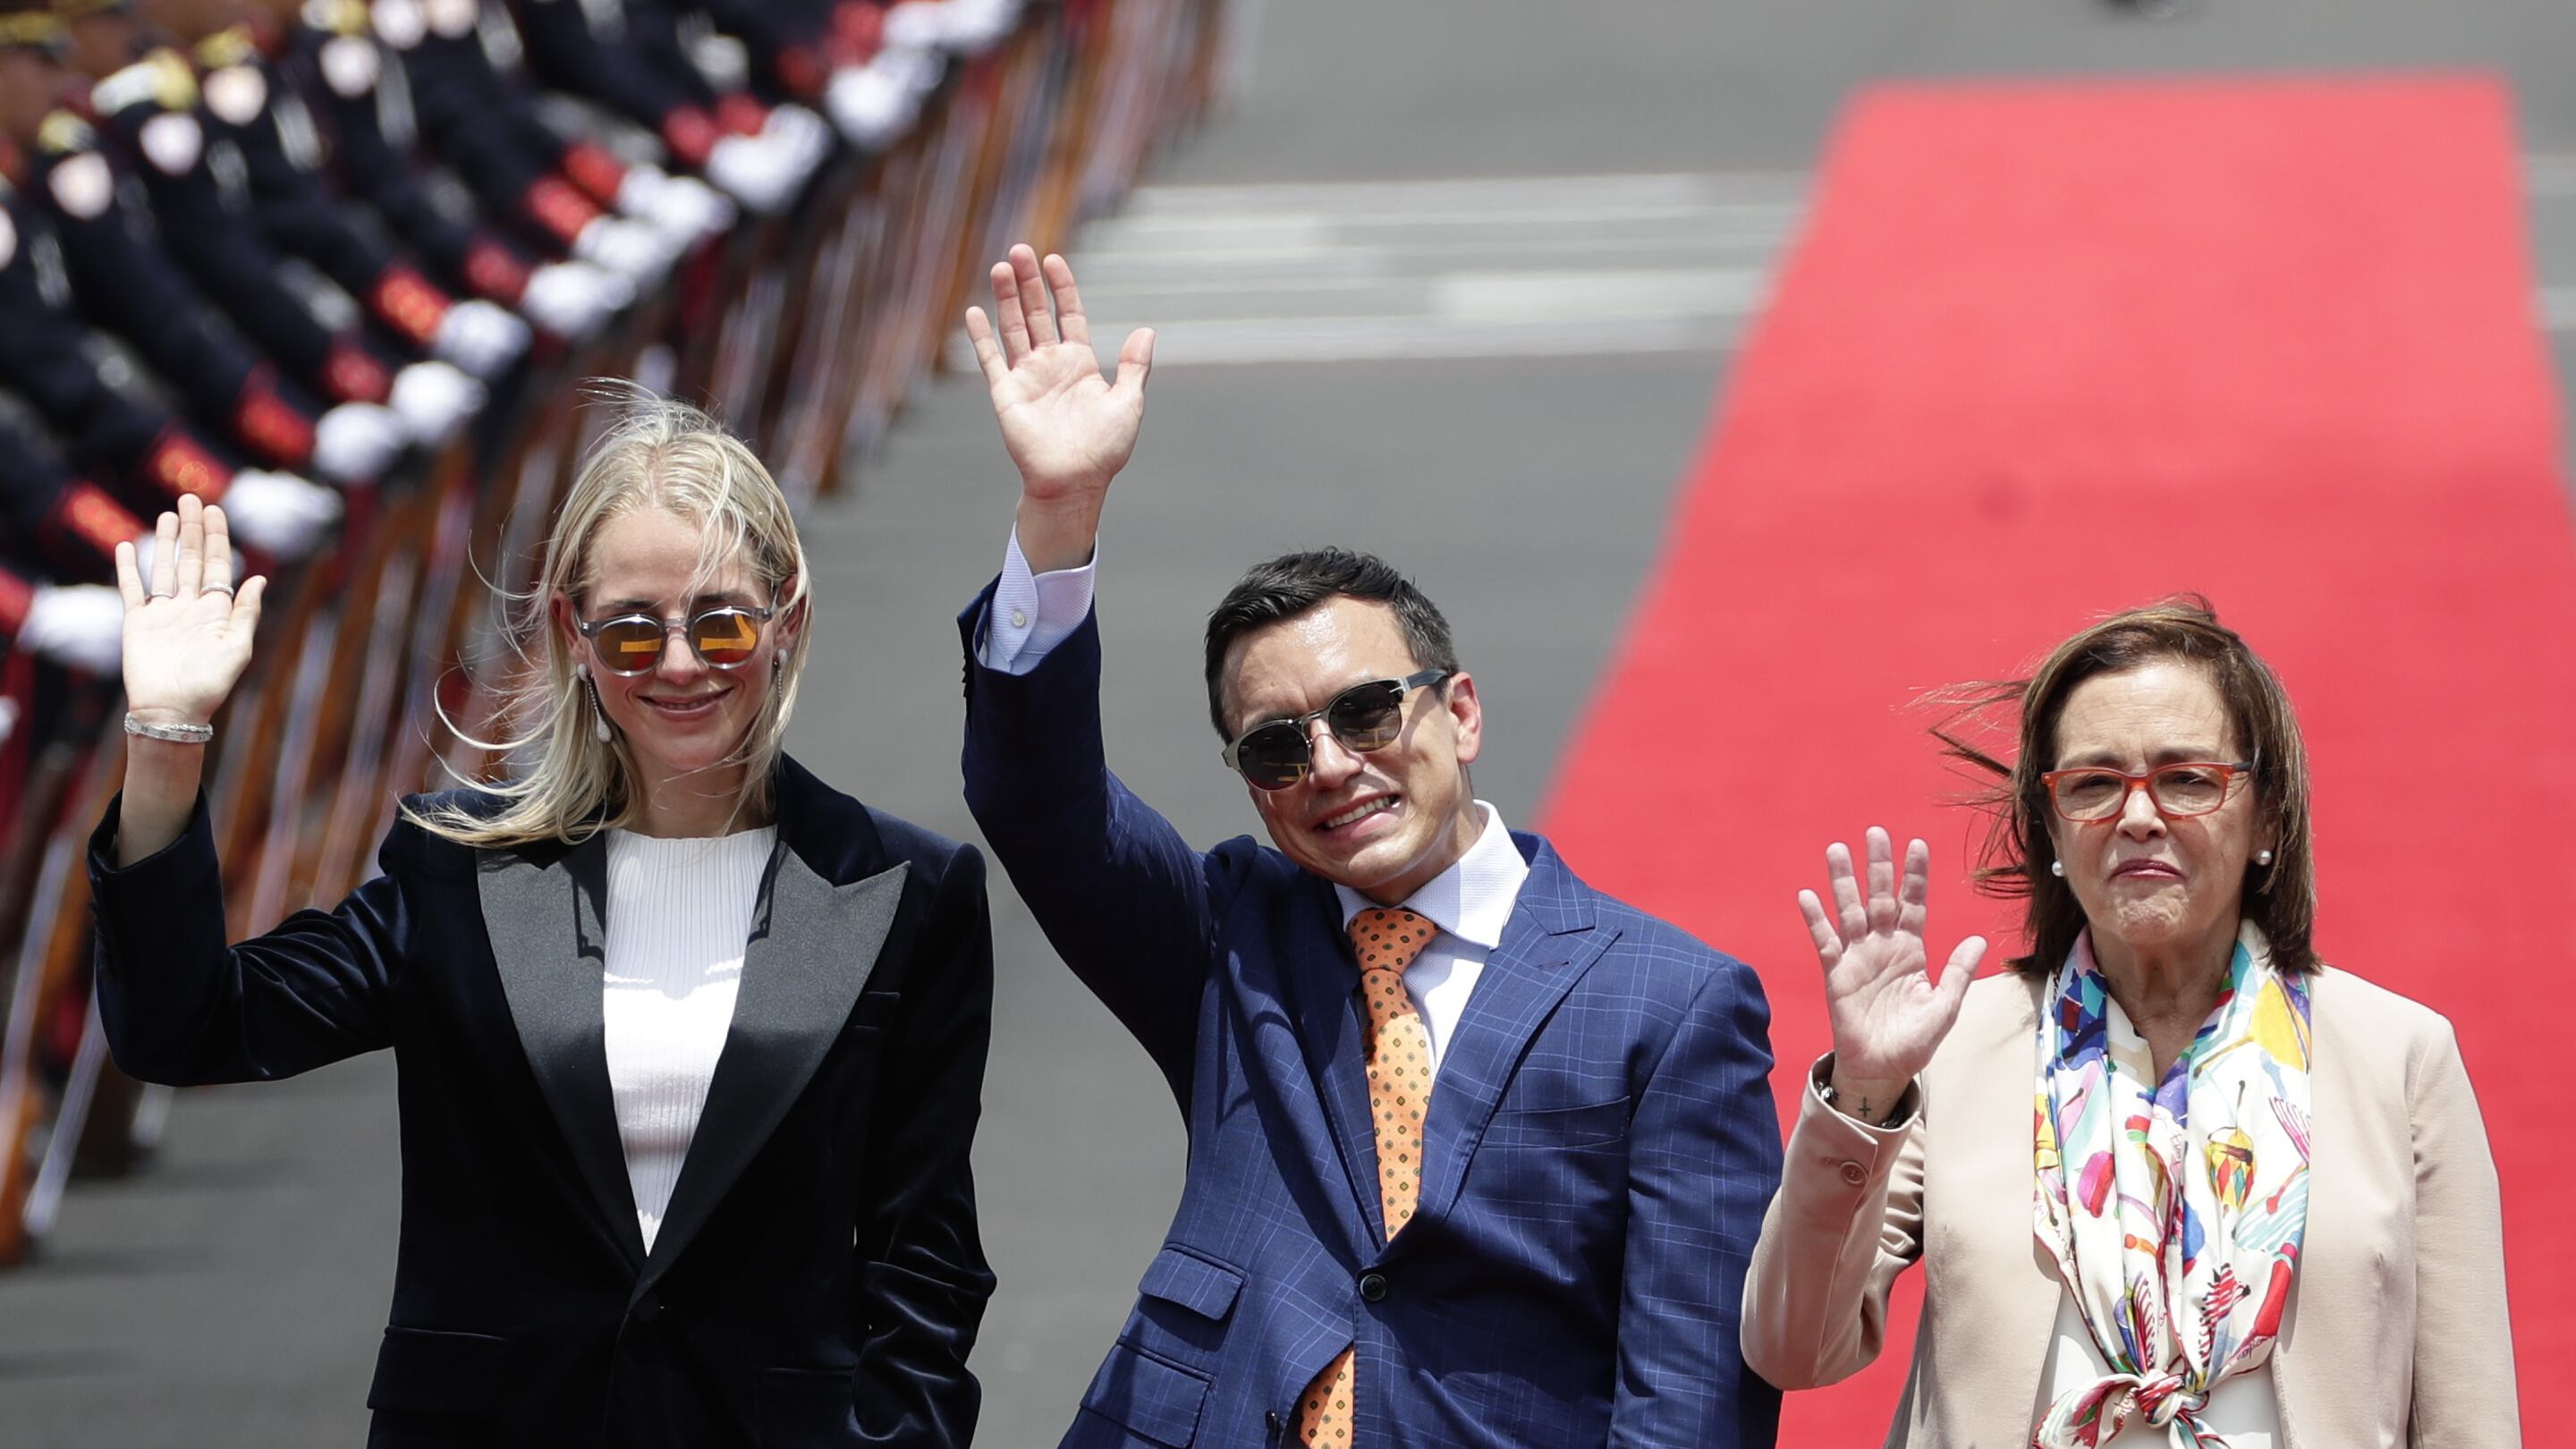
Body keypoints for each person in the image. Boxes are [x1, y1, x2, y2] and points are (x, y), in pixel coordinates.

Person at [955, 244, 1784, 1448]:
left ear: (1461, 712)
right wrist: (1058, 517)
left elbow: (1690, 1389)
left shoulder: (1670, 1004)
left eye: (1364, 712)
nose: (1331, 766)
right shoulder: (1232, 940)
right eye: (1277, 748)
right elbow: (1039, 799)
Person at [86, 397, 997, 1447]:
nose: (681, 664)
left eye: (722, 622)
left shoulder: (903, 891)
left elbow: (924, 1256)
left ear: (786, 619)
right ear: (574, 637)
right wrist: (166, 738)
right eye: (632, 630)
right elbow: (183, 1028)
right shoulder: (463, 871)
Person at [1741, 599, 2518, 1446]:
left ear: (2267, 817)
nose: (2138, 816)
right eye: (2093, 785)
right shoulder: (1957, 1048)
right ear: (2047, 825)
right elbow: (1795, 1347)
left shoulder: (2398, 1055)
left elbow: (2469, 1420)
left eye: (2188, 779)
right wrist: (1864, 1095)